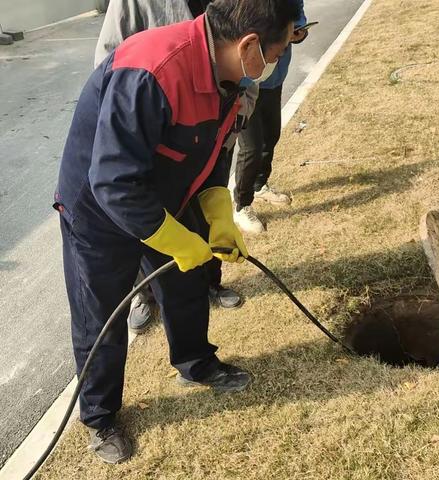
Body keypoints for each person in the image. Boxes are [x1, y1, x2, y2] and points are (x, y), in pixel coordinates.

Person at [55, 0, 300, 463]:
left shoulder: (231, 78)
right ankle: (100, 415)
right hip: (98, 207)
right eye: (280, 48)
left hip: (166, 190)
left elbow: (211, 155)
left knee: (188, 280)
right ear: (250, 45)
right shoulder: (152, 71)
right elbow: (112, 181)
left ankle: (195, 363)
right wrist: (174, 239)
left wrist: (218, 214)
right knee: (100, 312)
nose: (278, 60)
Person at [94, 0, 252, 335]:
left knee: (194, 255)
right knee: (149, 239)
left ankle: (199, 337)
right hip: (147, 144)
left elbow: (247, 70)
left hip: (207, 133)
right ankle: (144, 293)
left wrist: (232, 116)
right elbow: (111, 59)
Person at [233, 0, 308, 234]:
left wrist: (298, 33)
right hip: (247, 81)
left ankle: (259, 185)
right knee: (251, 148)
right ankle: (241, 205)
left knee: (271, 135)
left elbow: (300, 24)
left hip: (274, 79)